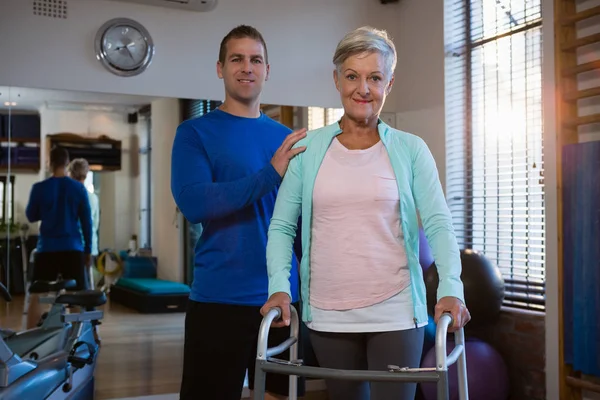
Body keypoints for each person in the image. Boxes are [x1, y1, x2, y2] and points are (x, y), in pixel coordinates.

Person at [261, 26, 471, 400]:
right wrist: (279, 286)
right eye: (353, 76)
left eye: (375, 77)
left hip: (396, 311)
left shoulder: (411, 149)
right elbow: (280, 226)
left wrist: (452, 287)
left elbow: (438, 223)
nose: (363, 89)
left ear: (389, 82)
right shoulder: (307, 150)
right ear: (336, 79)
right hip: (327, 312)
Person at [170, 25, 306, 400]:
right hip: (219, 299)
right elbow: (196, 203)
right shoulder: (194, 133)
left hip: (281, 298)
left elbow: (301, 223)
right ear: (220, 68)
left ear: (267, 70)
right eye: (237, 59)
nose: (247, 67)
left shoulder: (287, 139)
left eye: (255, 59)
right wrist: (269, 174)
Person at [25, 146, 93, 329]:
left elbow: (31, 215)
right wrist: (88, 251)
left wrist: (47, 210)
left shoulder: (39, 188)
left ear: (50, 163)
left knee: (38, 295)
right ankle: (79, 341)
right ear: (67, 163)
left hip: (47, 248)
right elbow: (87, 222)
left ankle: (29, 337)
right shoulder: (78, 189)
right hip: (72, 248)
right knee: (77, 296)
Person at [68, 158, 100, 289]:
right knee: (85, 281)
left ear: (70, 173)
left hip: (71, 247)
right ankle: (87, 305)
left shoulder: (68, 196)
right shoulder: (93, 198)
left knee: (70, 281)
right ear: (86, 175)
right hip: (89, 248)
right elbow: (95, 224)